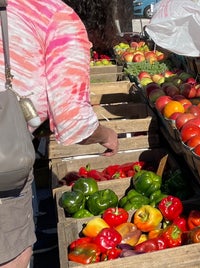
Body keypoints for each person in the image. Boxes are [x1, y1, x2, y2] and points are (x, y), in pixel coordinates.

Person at [0, 1, 119, 267]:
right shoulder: (55, 16)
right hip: (3, 158)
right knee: (12, 254)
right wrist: (105, 134)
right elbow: (73, 120)